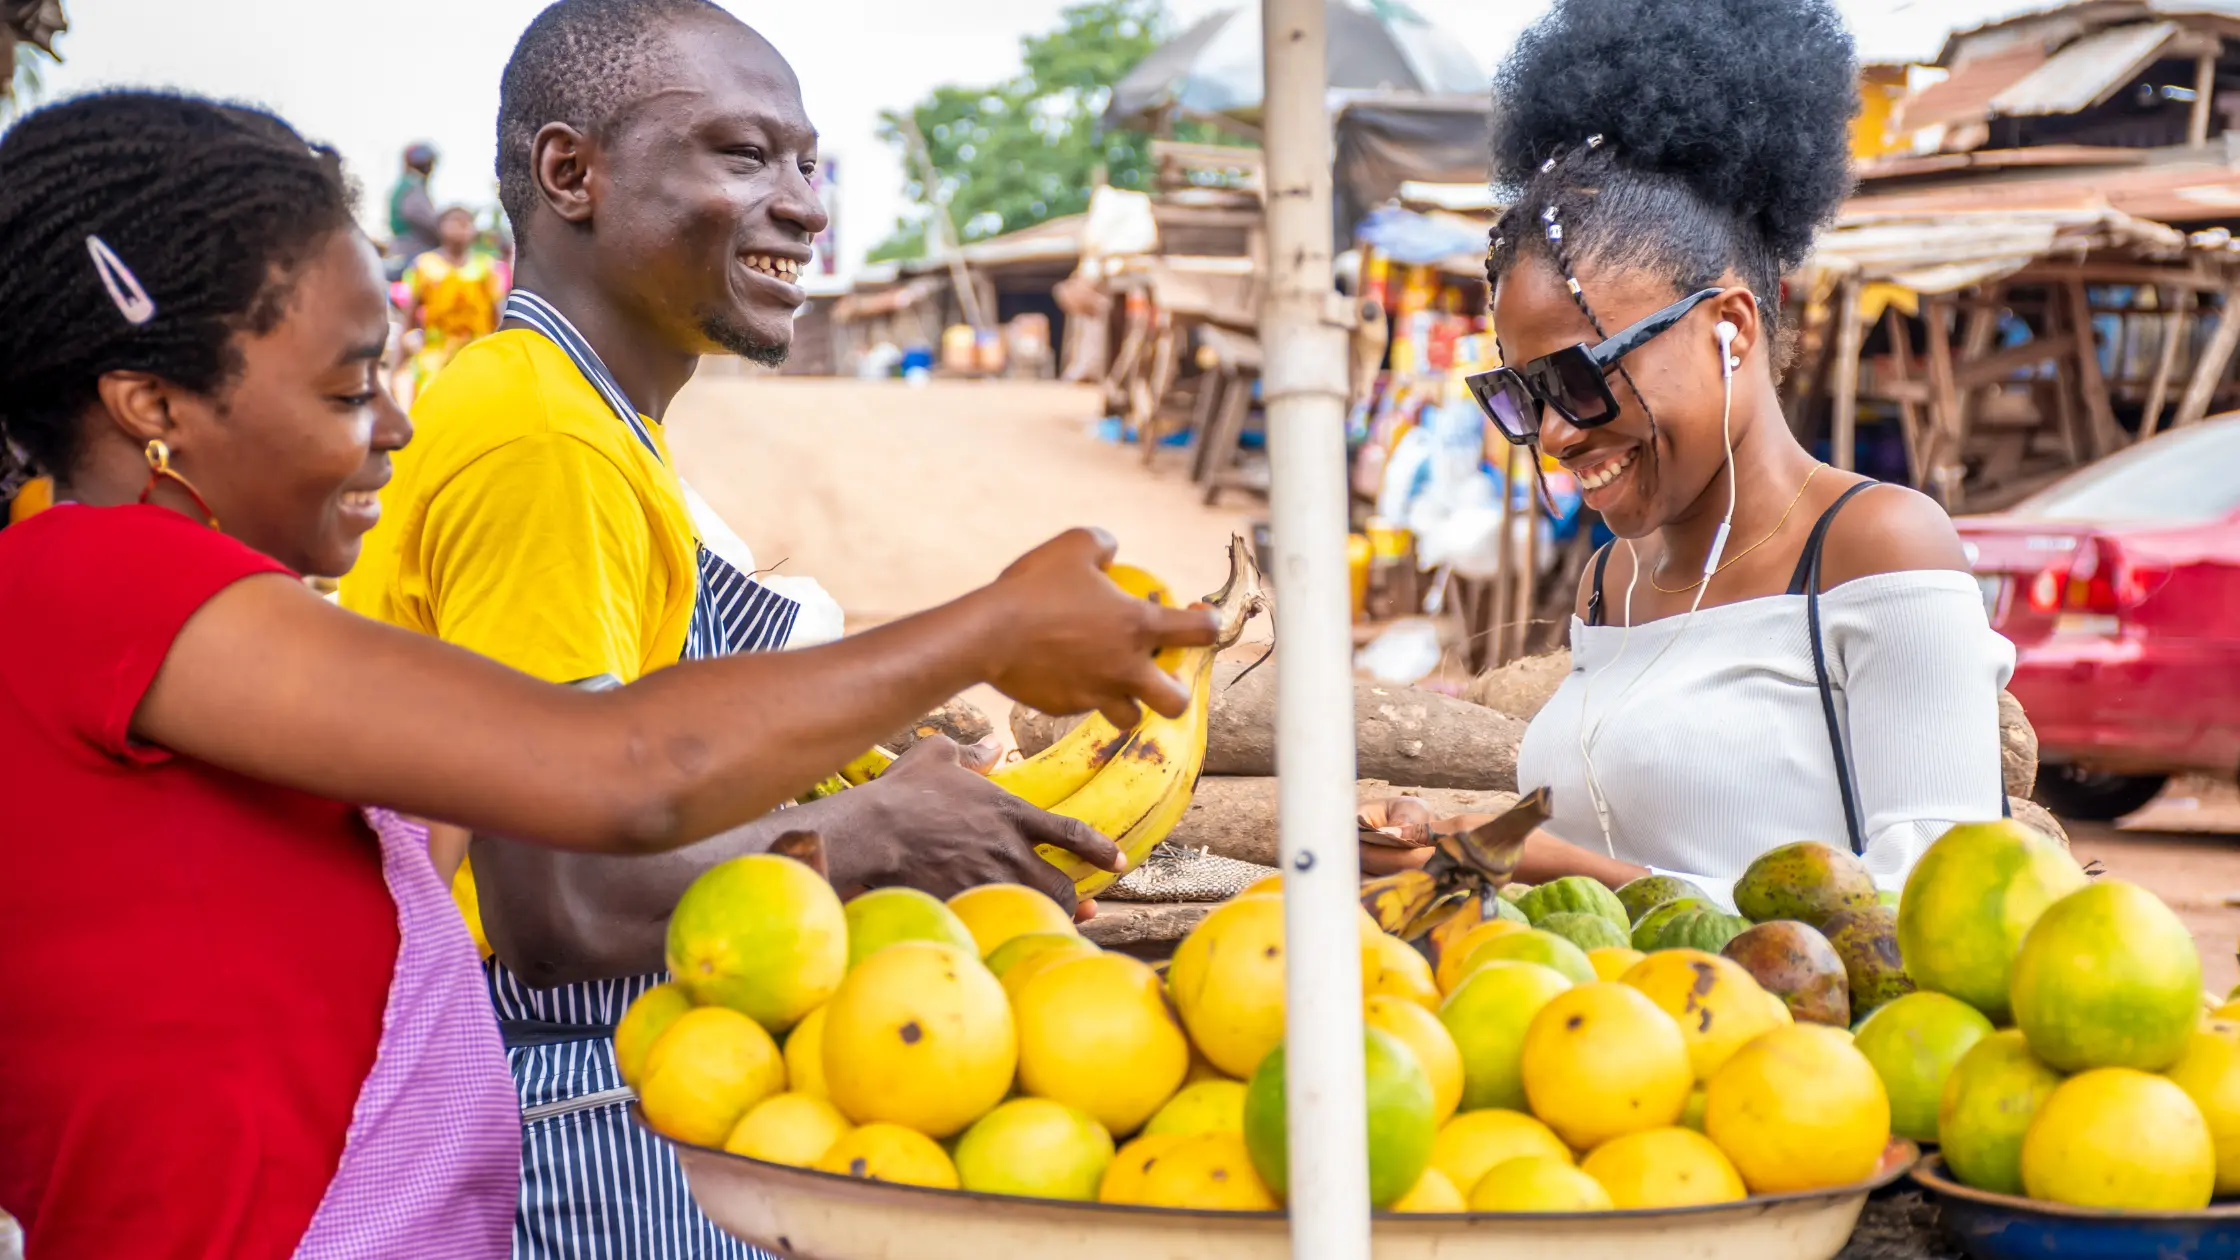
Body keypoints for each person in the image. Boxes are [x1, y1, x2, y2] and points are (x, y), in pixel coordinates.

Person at [0, 90, 1213, 1260]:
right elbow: (615, 770)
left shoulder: (214, 639)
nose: (394, 426)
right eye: (346, 387)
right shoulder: (86, 583)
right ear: (151, 405)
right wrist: (986, 628)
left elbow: (466, 829)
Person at [338, 1, 1173, 1253]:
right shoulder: (543, 442)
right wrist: (874, 835)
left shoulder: (589, 419)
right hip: (567, 1119)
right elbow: (551, 904)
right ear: (573, 173)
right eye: (741, 155)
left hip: (648, 1083)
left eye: (806, 162)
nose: (805, 205)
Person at [1372, 0, 2012, 907]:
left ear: (1729, 327)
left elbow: (1945, 910)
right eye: (1525, 394)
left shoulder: (1875, 546)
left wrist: (1569, 871)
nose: (1556, 435)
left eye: (1583, 377)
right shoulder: (1611, 581)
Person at [397, 205, 507, 405]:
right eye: (454, 222)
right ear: (440, 228)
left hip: (476, 355)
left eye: (466, 223)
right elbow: (409, 316)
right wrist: (399, 362)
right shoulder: (424, 266)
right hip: (434, 357)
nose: (461, 227)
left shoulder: (488, 268)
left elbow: (497, 315)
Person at [387, 141, 442, 274]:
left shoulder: (406, 184)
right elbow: (424, 218)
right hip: (413, 252)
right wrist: (445, 230)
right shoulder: (412, 185)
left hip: (405, 251)